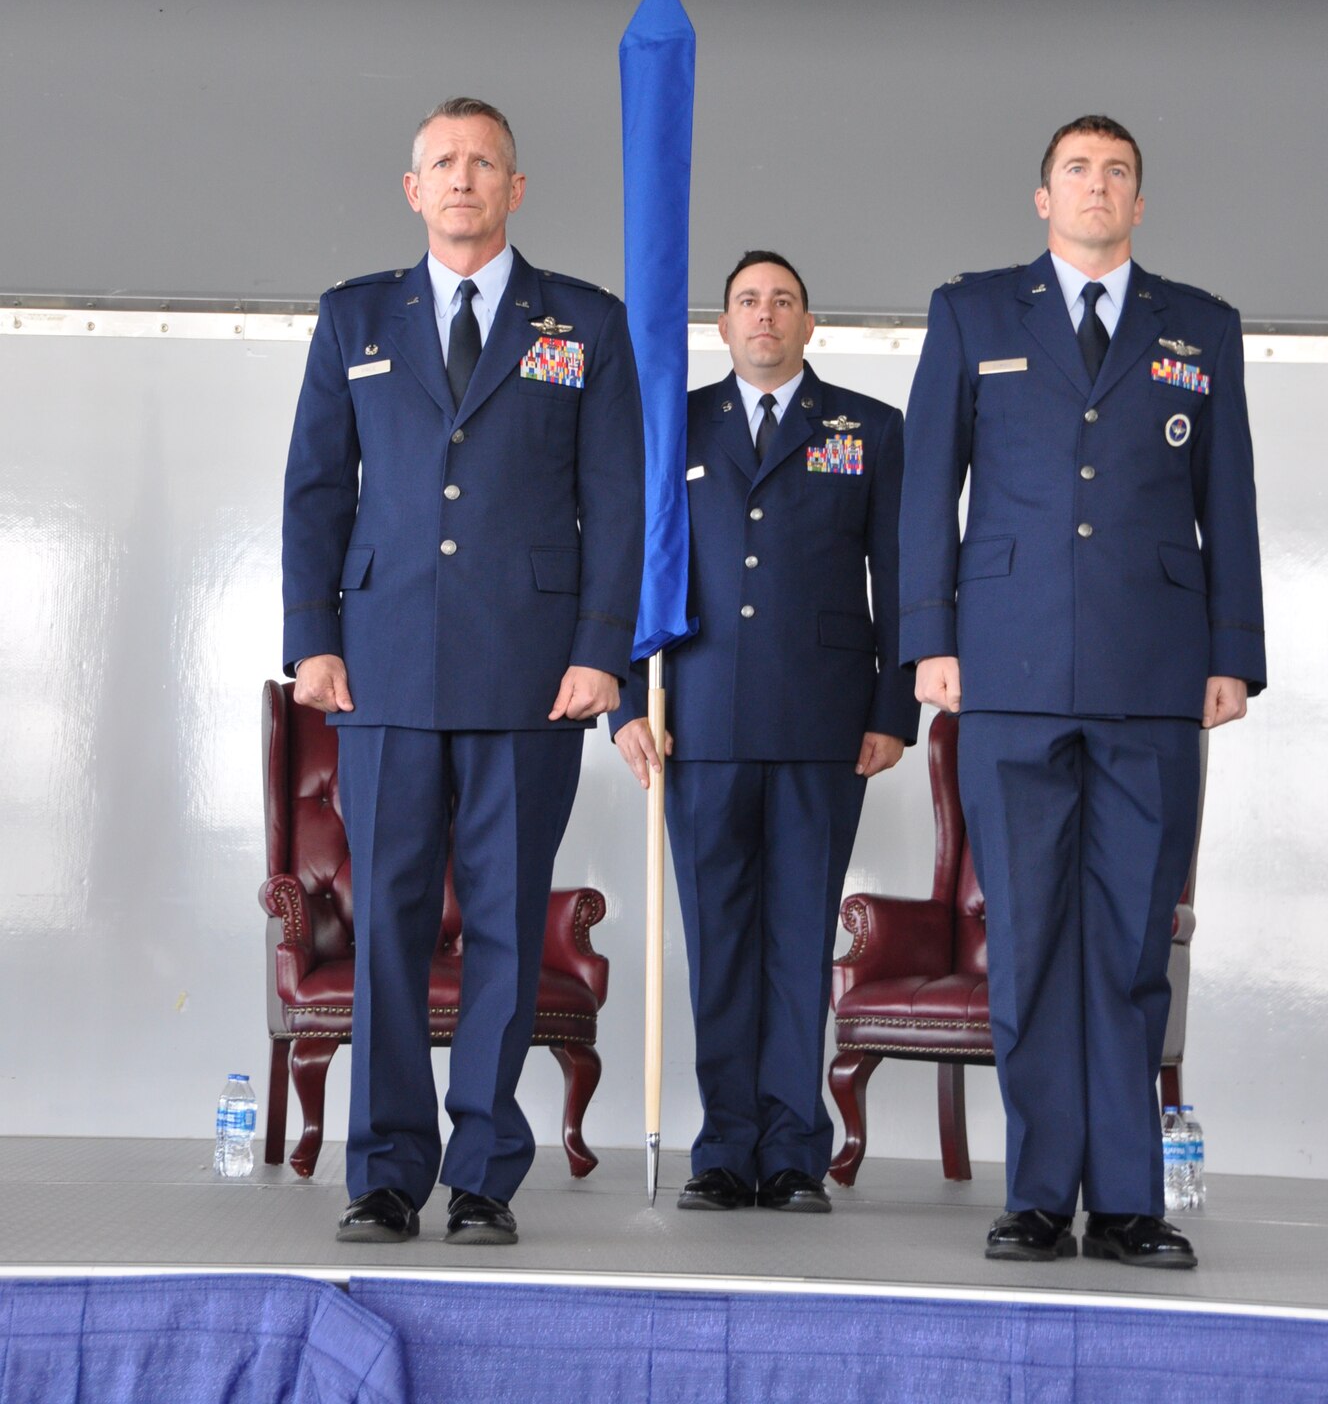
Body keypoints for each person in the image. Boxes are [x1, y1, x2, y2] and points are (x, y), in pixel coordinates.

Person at [899, 115, 1264, 1270]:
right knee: (1031, 936)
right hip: (1002, 668)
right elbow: (925, 487)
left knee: (1126, 943)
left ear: (1138, 204)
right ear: (1040, 196)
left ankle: (1125, 1201)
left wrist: (1231, 650)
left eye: (1115, 173)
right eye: (1075, 171)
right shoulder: (970, 312)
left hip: (1152, 672)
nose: (1095, 186)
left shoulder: (1197, 326)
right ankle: (1036, 1191)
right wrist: (927, 639)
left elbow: (1231, 499)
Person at [282, 97, 644, 1246]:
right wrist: (312, 636)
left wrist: (601, 650)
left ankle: (484, 1170)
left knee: (502, 923)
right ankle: (385, 1171)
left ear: (516, 188)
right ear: (411, 186)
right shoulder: (353, 318)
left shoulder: (582, 319)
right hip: (381, 669)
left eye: (484, 162)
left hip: (531, 674)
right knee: (388, 921)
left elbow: (619, 499)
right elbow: (314, 489)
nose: (462, 178)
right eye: (442, 161)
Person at [611, 250, 917, 1213]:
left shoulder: (869, 429)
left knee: (797, 938)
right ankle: (723, 1146)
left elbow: (900, 580)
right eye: (748, 301)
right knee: (719, 941)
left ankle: (792, 1153)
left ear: (809, 324)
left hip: (826, 722)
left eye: (784, 301)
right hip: (696, 722)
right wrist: (627, 705)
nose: (766, 316)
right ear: (724, 323)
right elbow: (631, 571)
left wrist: (893, 709)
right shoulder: (672, 423)